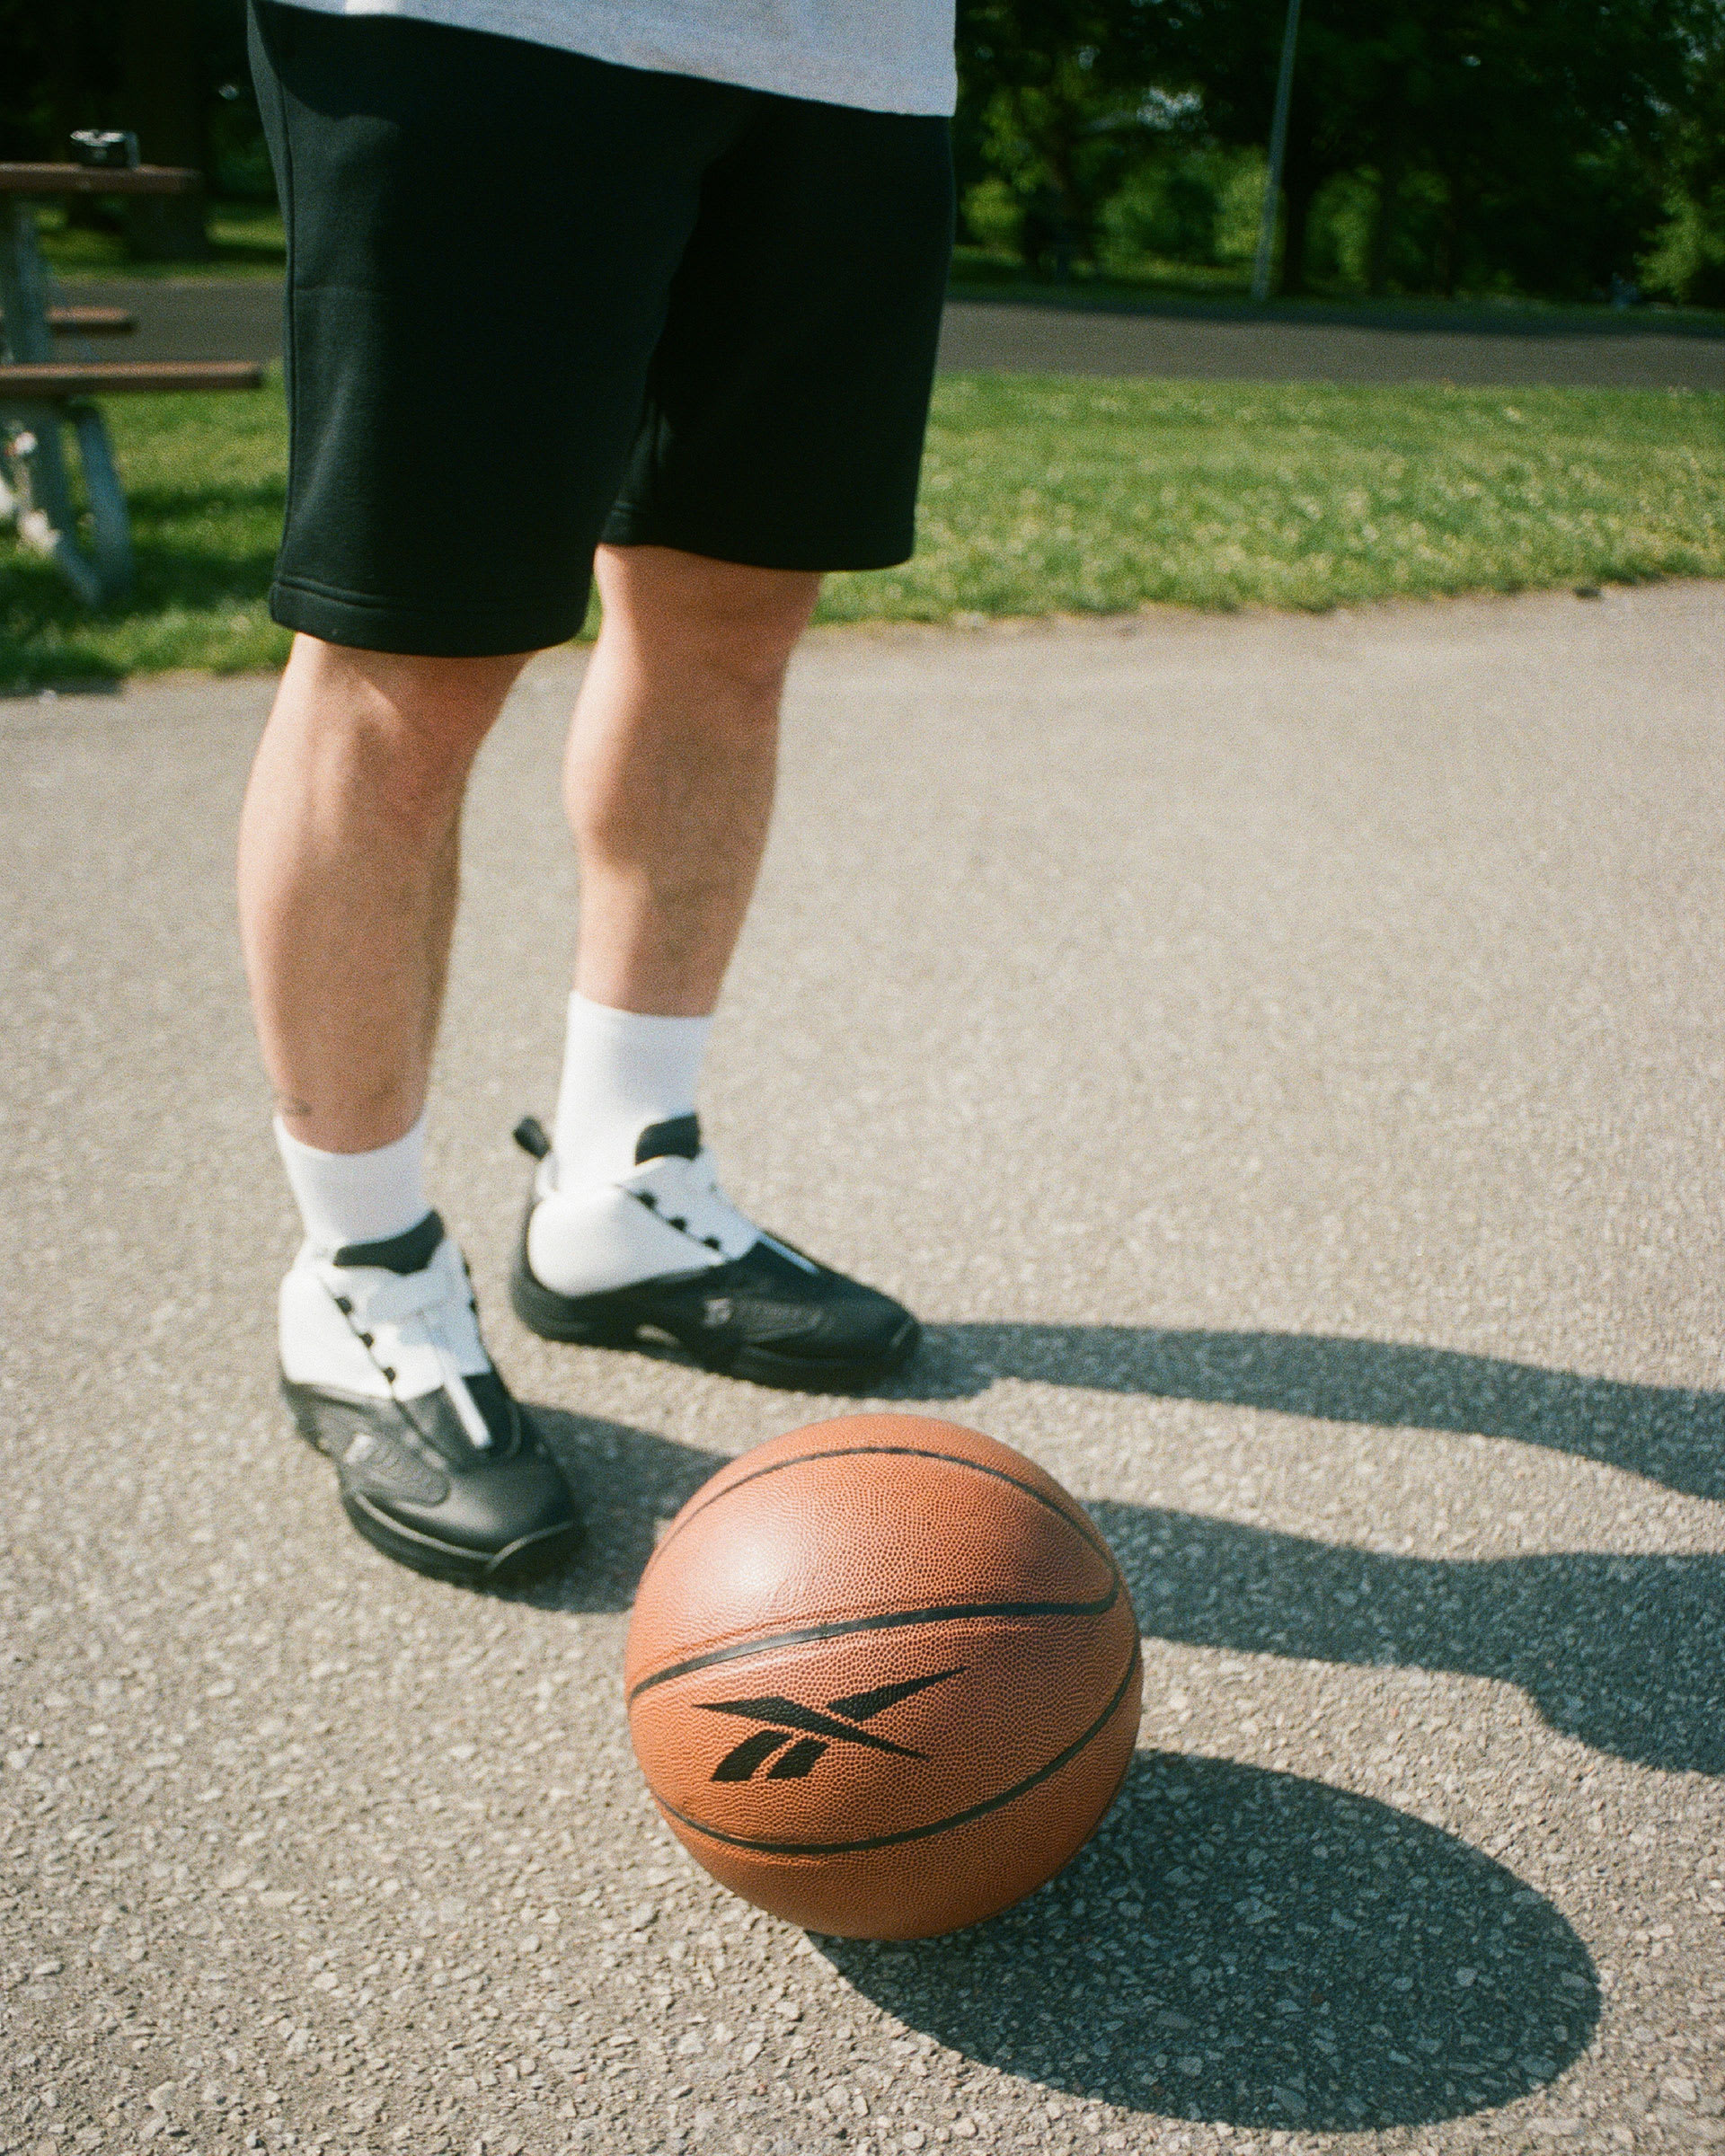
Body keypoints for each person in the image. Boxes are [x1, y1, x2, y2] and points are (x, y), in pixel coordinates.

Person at [240, 0, 956, 1585]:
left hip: (858, 54)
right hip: (486, 25)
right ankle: (361, 1279)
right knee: (408, 657)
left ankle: (623, 1190)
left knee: (732, 627)